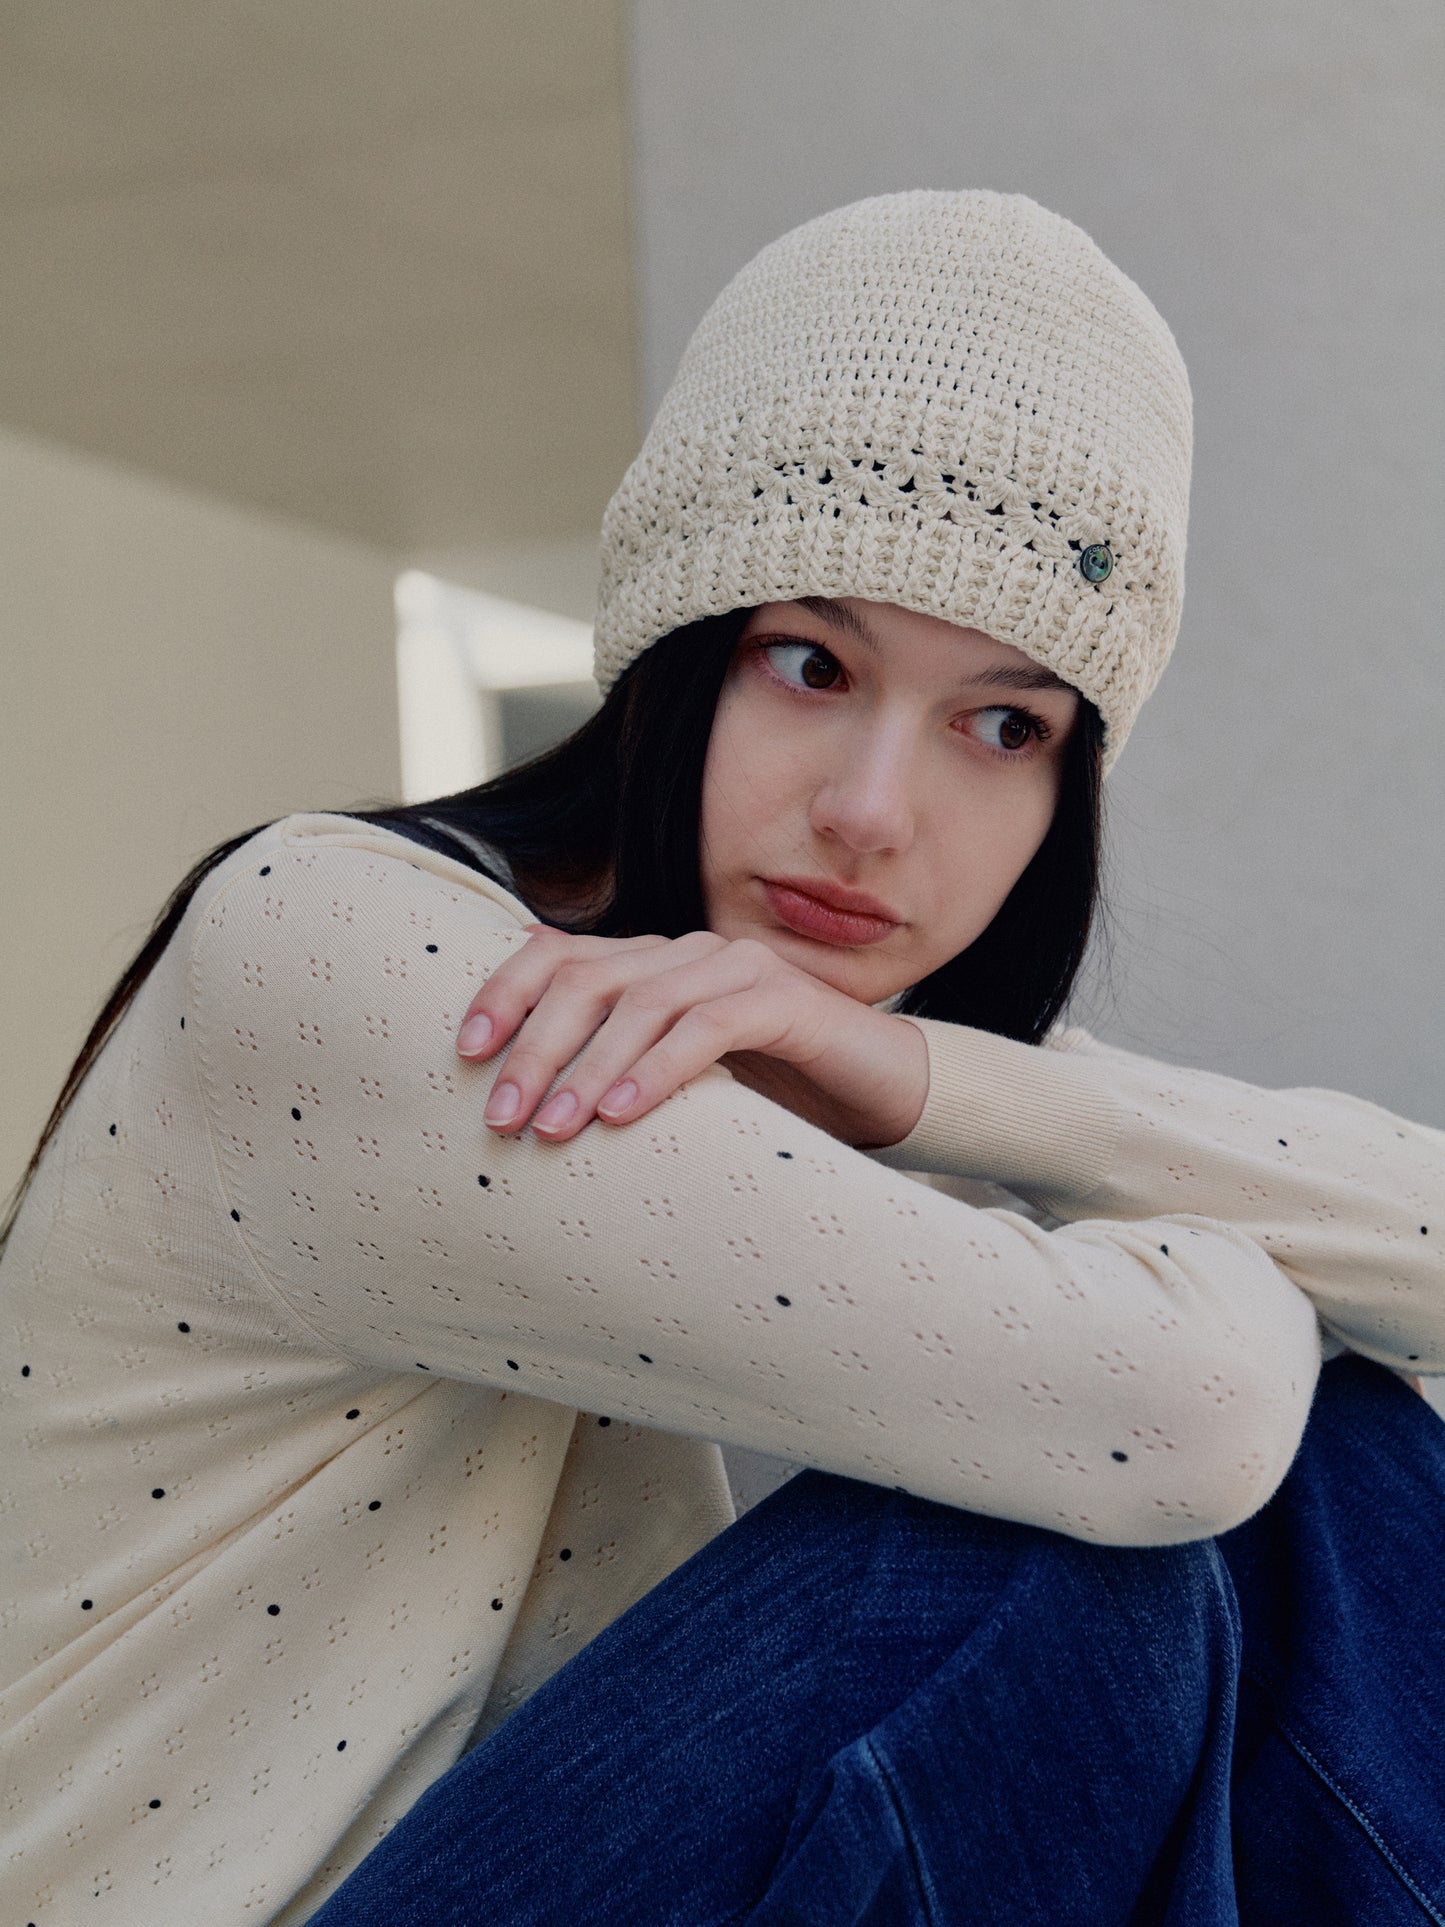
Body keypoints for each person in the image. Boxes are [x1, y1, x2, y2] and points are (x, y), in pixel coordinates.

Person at [2, 191, 1442, 1926]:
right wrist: (1235, 1272)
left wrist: (926, 1083)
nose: (871, 814)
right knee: (1054, 1522)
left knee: (1309, 1432)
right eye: (808, 662)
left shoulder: (774, 1033)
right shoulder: (338, 951)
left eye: (1005, 724)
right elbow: (1172, 1419)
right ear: (675, 656)